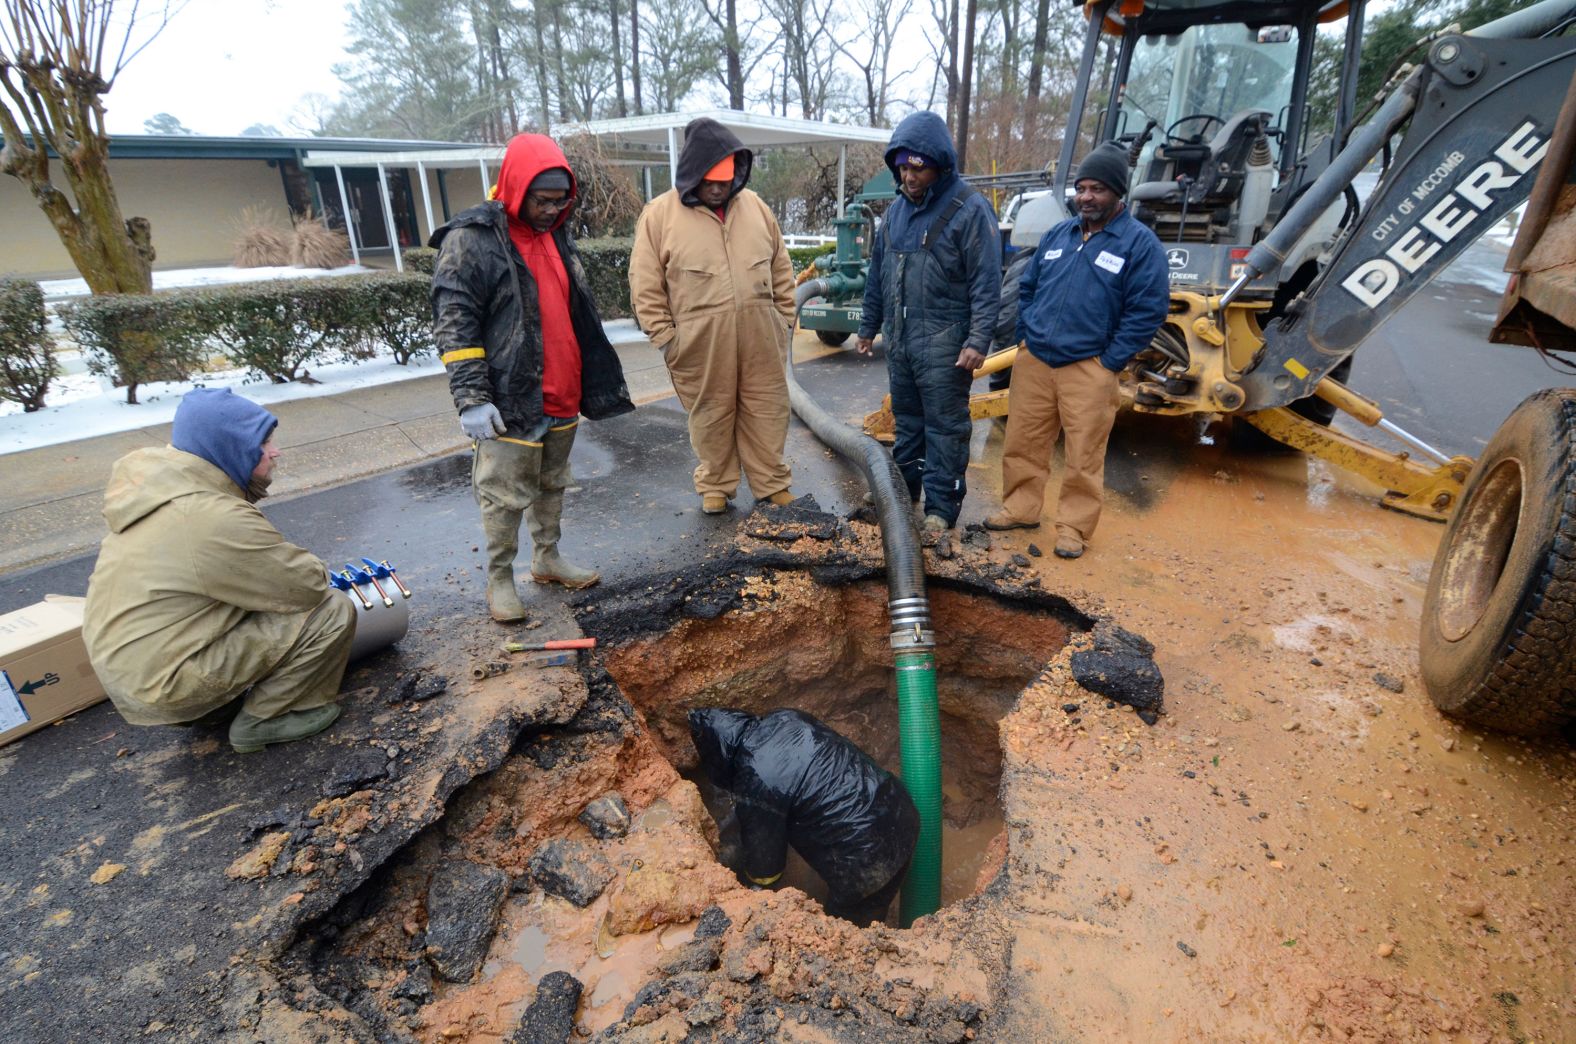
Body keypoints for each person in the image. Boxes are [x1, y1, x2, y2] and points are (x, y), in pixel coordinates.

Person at [82, 388, 357, 754]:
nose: (276, 452)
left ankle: (215, 706)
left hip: (135, 678)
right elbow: (306, 586)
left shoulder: (159, 494)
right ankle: (266, 719)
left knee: (246, 599)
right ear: (231, 448)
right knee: (329, 610)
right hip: (167, 685)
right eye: (264, 444)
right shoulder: (207, 516)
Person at [431, 133, 634, 623]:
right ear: (516, 187)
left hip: (563, 390)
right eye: (541, 200)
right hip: (510, 397)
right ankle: (500, 577)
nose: (550, 209)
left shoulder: (556, 235)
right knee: (504, 494)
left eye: (559, 201)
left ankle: (547, 557)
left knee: (552, 483)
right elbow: (454, 319)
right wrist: (471, 397)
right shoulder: (472, 240)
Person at [984, 141, 1169, 559]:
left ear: (1117, 193)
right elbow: (1028, 287)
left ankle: (1073, 528)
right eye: (1081, 188)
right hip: (1036, 360)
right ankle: (1021, 506)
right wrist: (1026, 336)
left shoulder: (1139, 245)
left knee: (1084, 454)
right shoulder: (1059, 234)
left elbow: (1148, 310)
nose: (1086, 197)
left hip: (1089, 366)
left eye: (1097, 189)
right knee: (1023, 440)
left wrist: (1110, 362)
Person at [629, 116, 798, 516]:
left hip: (760, 333)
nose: (720, 188)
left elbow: (781, 267)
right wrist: (668, 339)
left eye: (727, 179)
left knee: (767, 406)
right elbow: (645, 284)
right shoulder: (660, 216)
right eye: (711, 181)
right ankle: (717, 485)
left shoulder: (755, 207)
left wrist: (783, 320)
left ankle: (771, 483)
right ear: (692, 175)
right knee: (711, 413)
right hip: (699, 341)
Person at [856, 111, 1002, 533]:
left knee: (945, 428)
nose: (908, 175)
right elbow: (877, 276)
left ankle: (939, 511)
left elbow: (987, 282)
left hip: (946, 343)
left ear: (939, 163)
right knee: (908, 423)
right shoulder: (895, 214)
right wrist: (869, 327)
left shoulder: (970, 210)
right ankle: (905, 492)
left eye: (917, 166)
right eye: (902, 166)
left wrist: (978, 339)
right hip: (901, 344)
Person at [688, 707, 920, 927]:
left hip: (865, 859)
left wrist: (748, 890)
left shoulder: (754, 775)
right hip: (901, 811)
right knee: (877, 899)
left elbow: (766, 866)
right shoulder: (786, 717)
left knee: (846, 930)